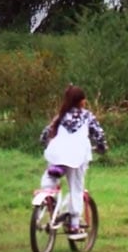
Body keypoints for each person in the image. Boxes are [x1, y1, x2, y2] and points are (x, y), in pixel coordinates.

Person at [39, 85, 107, 239]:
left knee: (49, 182)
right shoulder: (86, 116)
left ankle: (48, 203)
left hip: (56, 155)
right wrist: (102, 147)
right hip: (77, 157)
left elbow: (44, 135)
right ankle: (74, 225)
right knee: (76, 188)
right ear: (82, 101)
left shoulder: (60, 116)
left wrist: (46, 143)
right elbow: (99, 134)